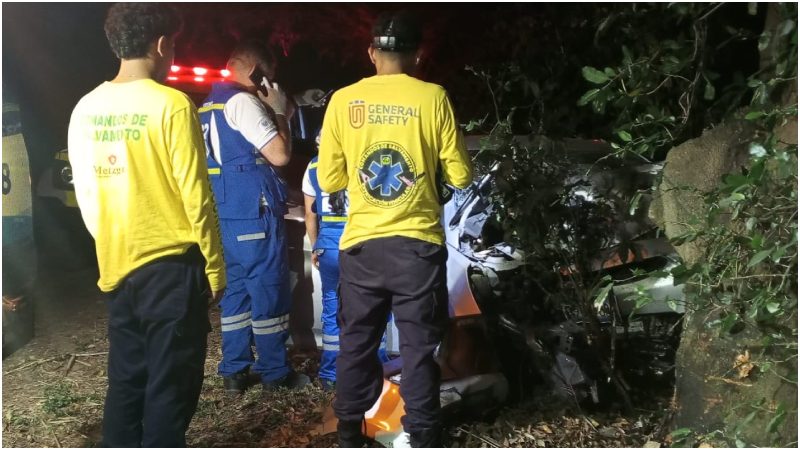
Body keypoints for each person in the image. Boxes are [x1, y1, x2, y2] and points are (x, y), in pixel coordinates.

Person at [67, 3, 225, 446]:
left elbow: (86, 195)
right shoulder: (172, 106)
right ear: (161, 44)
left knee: (127, 382)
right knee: (170, 389)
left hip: (117, 266)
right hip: (172, 270)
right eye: (172, 44)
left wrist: (112, 245)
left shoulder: (85, 108)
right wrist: (214, 268)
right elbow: (196, 195)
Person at [317, 10, 473, 448]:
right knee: (419, 348)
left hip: (362, 247)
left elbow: (329, 180)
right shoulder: (433, 97)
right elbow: (460, 175)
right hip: (417, 246)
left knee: (356, 343)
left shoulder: (343, 100)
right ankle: (424, 435)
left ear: (372, 54)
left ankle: (349, 431)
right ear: (417, 55)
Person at [199, 40, 309, 395]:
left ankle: (234, 372)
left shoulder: (208, 104)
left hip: (226, 211)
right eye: (268, 76)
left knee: (236, 295)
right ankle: (275, 374)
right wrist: (279, 112)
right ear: (256, 72)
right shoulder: (242, 102)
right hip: (253, 214)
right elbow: (278, 154)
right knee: (268, 292)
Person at [302, 134, 390, 392]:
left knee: (332, 309)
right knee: (375, 305)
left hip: (329, 243)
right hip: (360, 240)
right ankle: (378, 368)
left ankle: (331, 373)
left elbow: (310, 213)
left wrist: (316, 245)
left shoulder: (314, 166)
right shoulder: (363, 162)